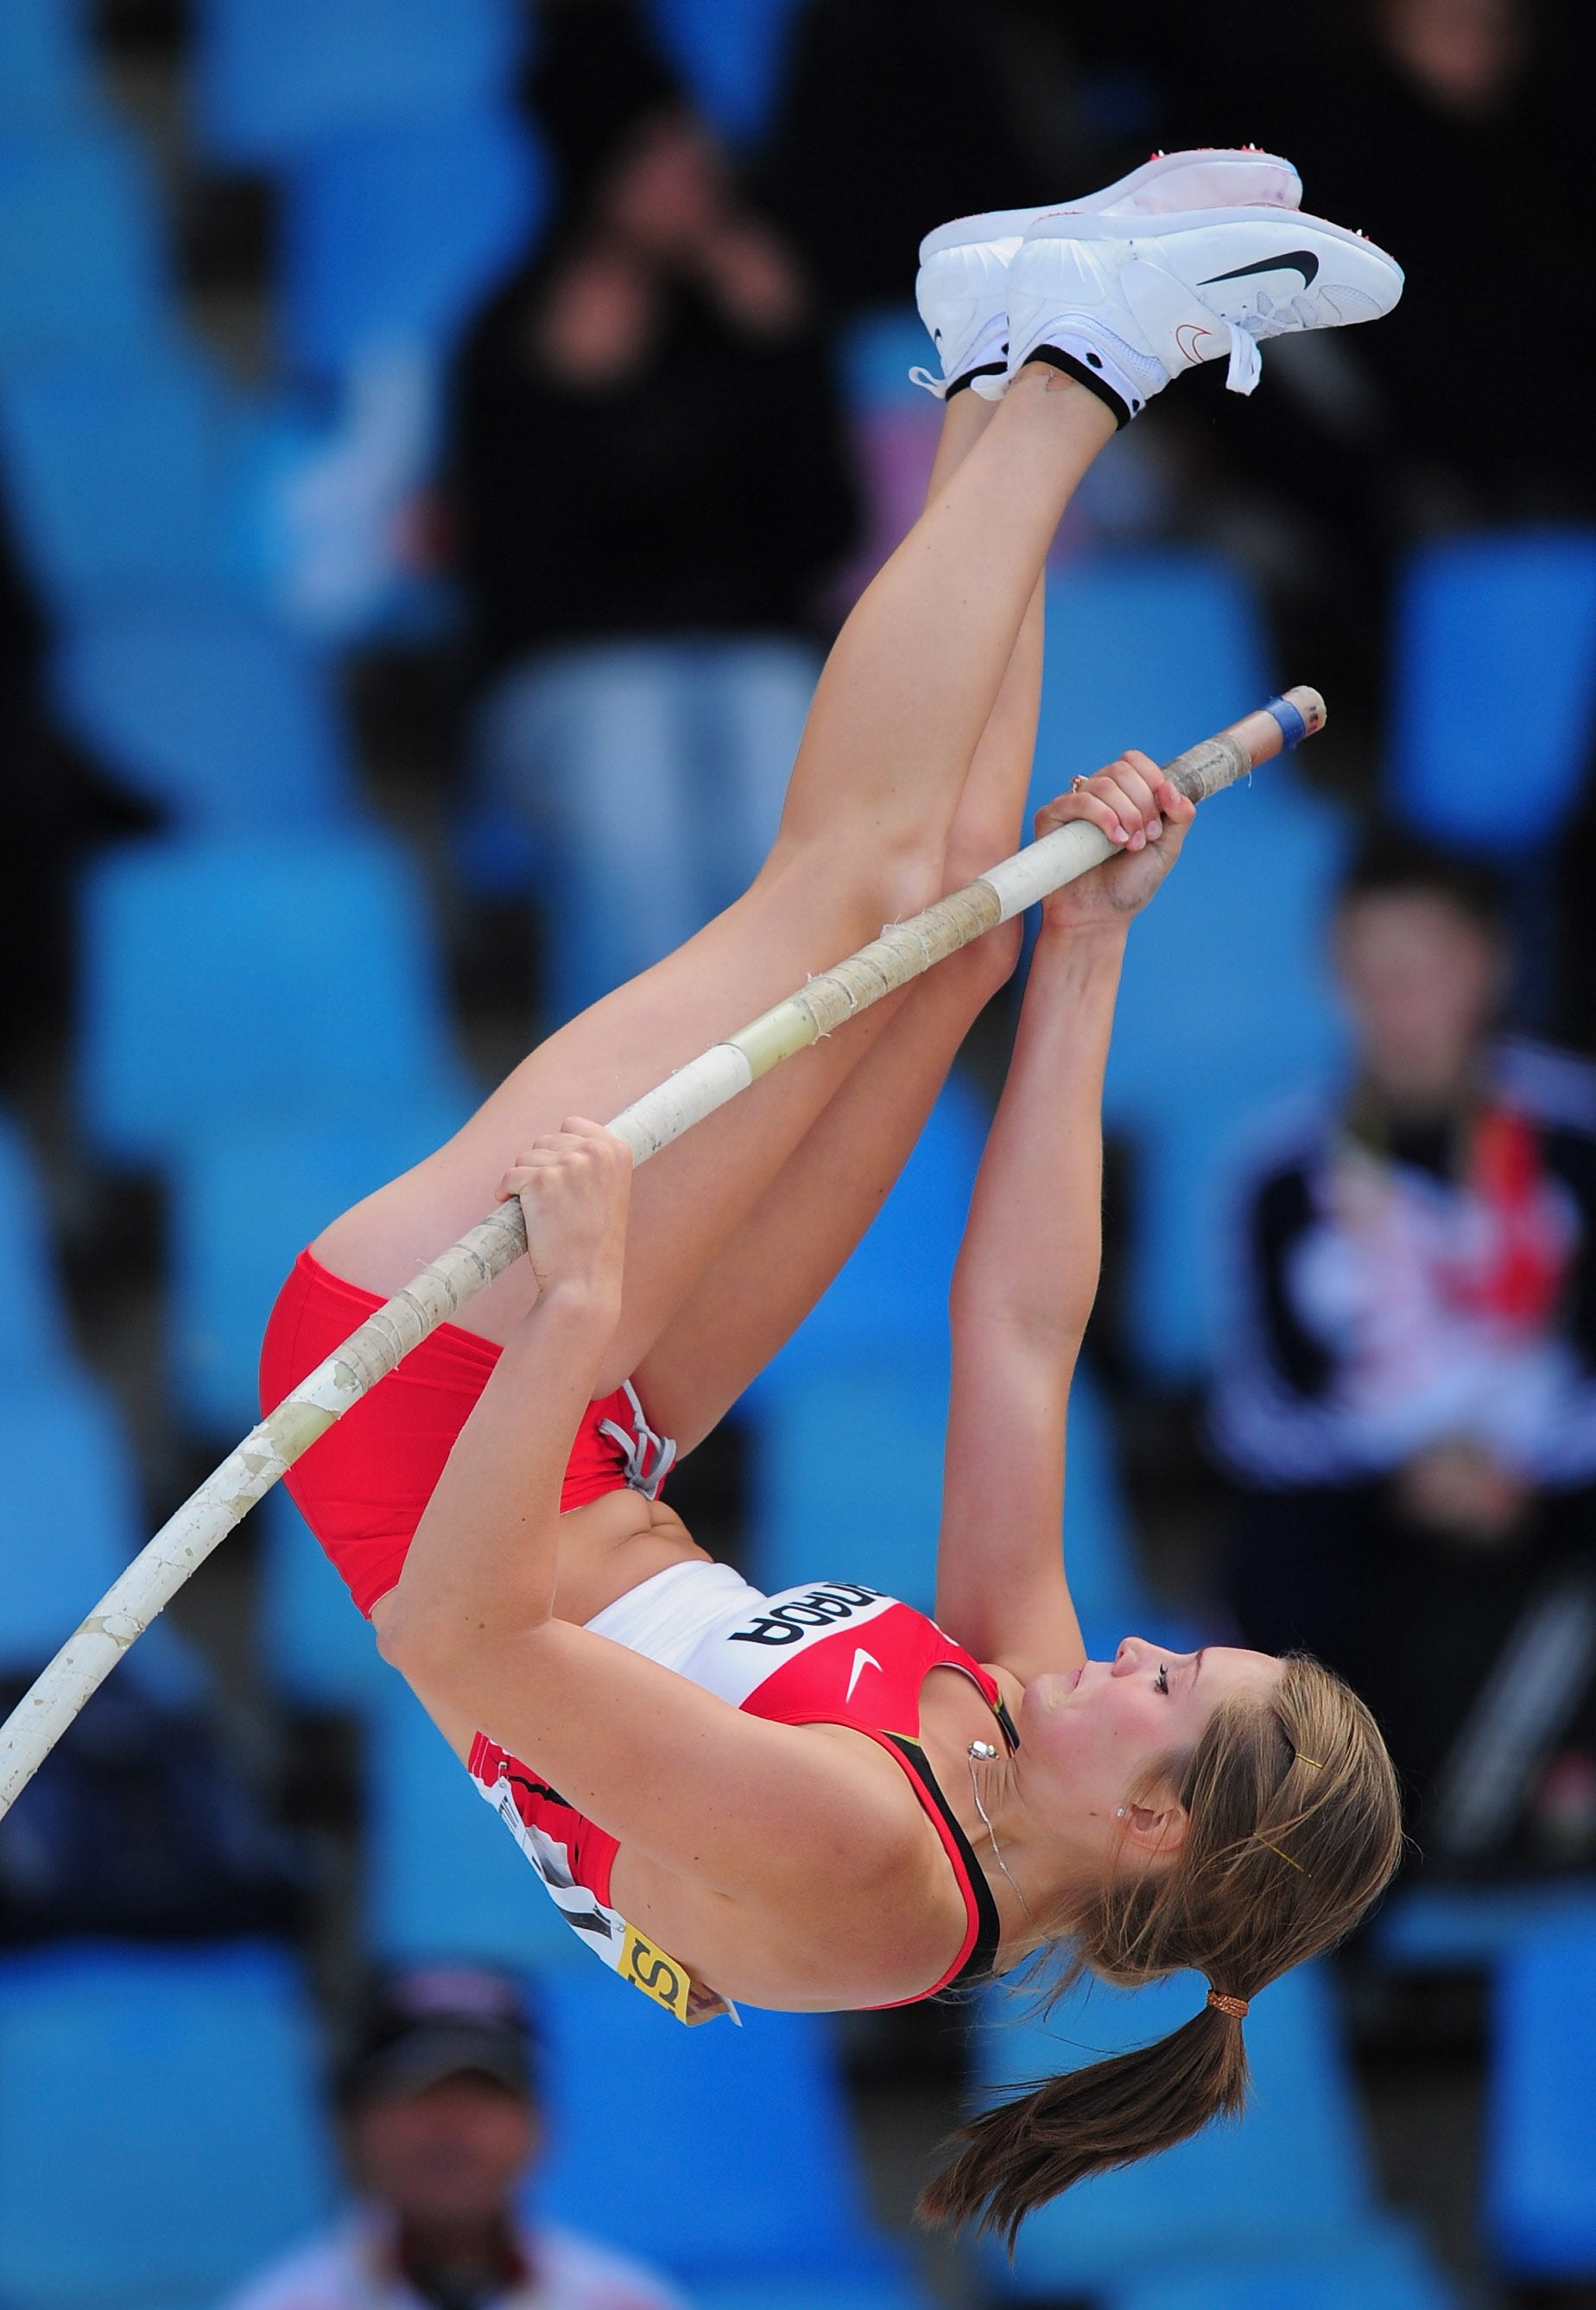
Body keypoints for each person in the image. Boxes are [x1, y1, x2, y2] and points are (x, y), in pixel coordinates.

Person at [263, 155, 1406, 2237]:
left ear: (1150, 1836)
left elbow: (452, 1626)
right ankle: (1002, 356)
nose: (1128, 1652)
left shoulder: (879, 1880)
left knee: (850, 898)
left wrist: (588, 1306)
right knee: (958, 931)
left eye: (1166, 1690)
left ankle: (1067, 366)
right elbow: (1020, 1335)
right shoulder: (1024, 1736)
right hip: (593, 1428)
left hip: (436, 1409)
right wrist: (1085, 956)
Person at [452, 0, 857, 1021]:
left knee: (776, 720)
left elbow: (826, 535)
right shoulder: (510, 339)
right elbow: (513, 588)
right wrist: (561, 406)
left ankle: (795, 1072)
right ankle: (630, 1111)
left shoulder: (758, 313)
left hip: (743, 659)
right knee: (630, 761)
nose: (688, 175)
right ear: (596, 171)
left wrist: (786, 358)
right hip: (574, 681)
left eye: (691, 145)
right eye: (653, 153)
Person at [1210, 833, 1596, 1869]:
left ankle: (1481, 1820)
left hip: (1560, 1488)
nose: (1399, 1001)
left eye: (1426, 966)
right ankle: (1379, 1852)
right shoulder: (1277, 1169)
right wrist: (1409, 1461)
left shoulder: (1578, 1131)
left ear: (1491, 966)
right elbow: (1256, 1415)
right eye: (1368, 972)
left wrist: (1520, 1457)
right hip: (1373, 1501)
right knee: (1279, 1568)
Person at [222, 1964, 685, 2310]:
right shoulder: (281, 2303)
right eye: (418, 2092)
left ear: (541, 2124)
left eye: (485, 2094)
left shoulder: (628, 2301)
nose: (454, 2126)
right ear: (354, 2122)